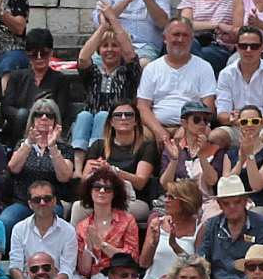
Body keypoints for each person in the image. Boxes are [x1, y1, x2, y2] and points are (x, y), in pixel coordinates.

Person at [131, 19, 214, 151]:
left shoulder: (204, 67)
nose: (180, 39)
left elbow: (208, 105)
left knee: (205, 133)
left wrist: (186, 127)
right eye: (176, 34)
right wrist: (159, 131)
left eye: (185, 35)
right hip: (156, 126)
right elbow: (142, 106)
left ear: (191, 39)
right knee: (136, 134)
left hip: (192, 124)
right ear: (165, 38)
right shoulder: (152, 68)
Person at [71, 24, 141, 157]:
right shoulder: (93, 72)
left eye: (115, 45)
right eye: (105, 45)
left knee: (102, 116)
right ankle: (78, 167)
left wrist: (113, 20)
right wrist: (103, 26)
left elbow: (131, 55)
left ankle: (95, 158)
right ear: (99, 49)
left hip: (117, 124)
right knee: (83, 116)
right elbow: (83, 58)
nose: (110, 50)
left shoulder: (127, 72)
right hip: (89, 123)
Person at [4, 100, 74, 231]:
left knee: (52, 221)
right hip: (23, 201)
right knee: (6, 220)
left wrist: (52, 147)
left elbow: (64, 177)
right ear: (32, 118)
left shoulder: (65, 148)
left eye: (49, 115)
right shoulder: (22, 144)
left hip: (50, 202)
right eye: (39, 114)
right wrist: (29, 142)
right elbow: (13, 168)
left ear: (55, 120)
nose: (44, 118)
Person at [197, 177, 263, 279]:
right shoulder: (212, 224)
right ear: (219, 204)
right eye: (226, 203)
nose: (232, 207)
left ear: (245, 200)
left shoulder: (262, 226)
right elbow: (202, 260)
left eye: (237, 202)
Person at [83, 100, 156, 220]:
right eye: (117, 115)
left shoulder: (146, 147)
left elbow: (140, 182)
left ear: (136, 120)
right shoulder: (98, 145)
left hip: (132, 200)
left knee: (109, 208)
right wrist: (96, 170)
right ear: (111, 122)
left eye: (128, 115)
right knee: (78, 207)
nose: (123, 118)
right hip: (101, 196)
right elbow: (84, 180)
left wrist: (112, 170)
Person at [4, 179, 75, 279]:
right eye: (37, 200)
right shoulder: (19, 229)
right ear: (30, 204)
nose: (42, 203)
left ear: (54, 201)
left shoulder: (68, 231)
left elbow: (67, 269)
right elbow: (15, 267)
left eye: (47, 198)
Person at [216, 24, 263, 131]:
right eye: (244, 46)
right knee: (217, 135)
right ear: (237, 47)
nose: (248, 50)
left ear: (262, 48)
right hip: (235, 126)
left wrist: (248, 120)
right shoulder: (226, 74)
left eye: (254, 46)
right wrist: (235, 120)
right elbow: (222, 115)